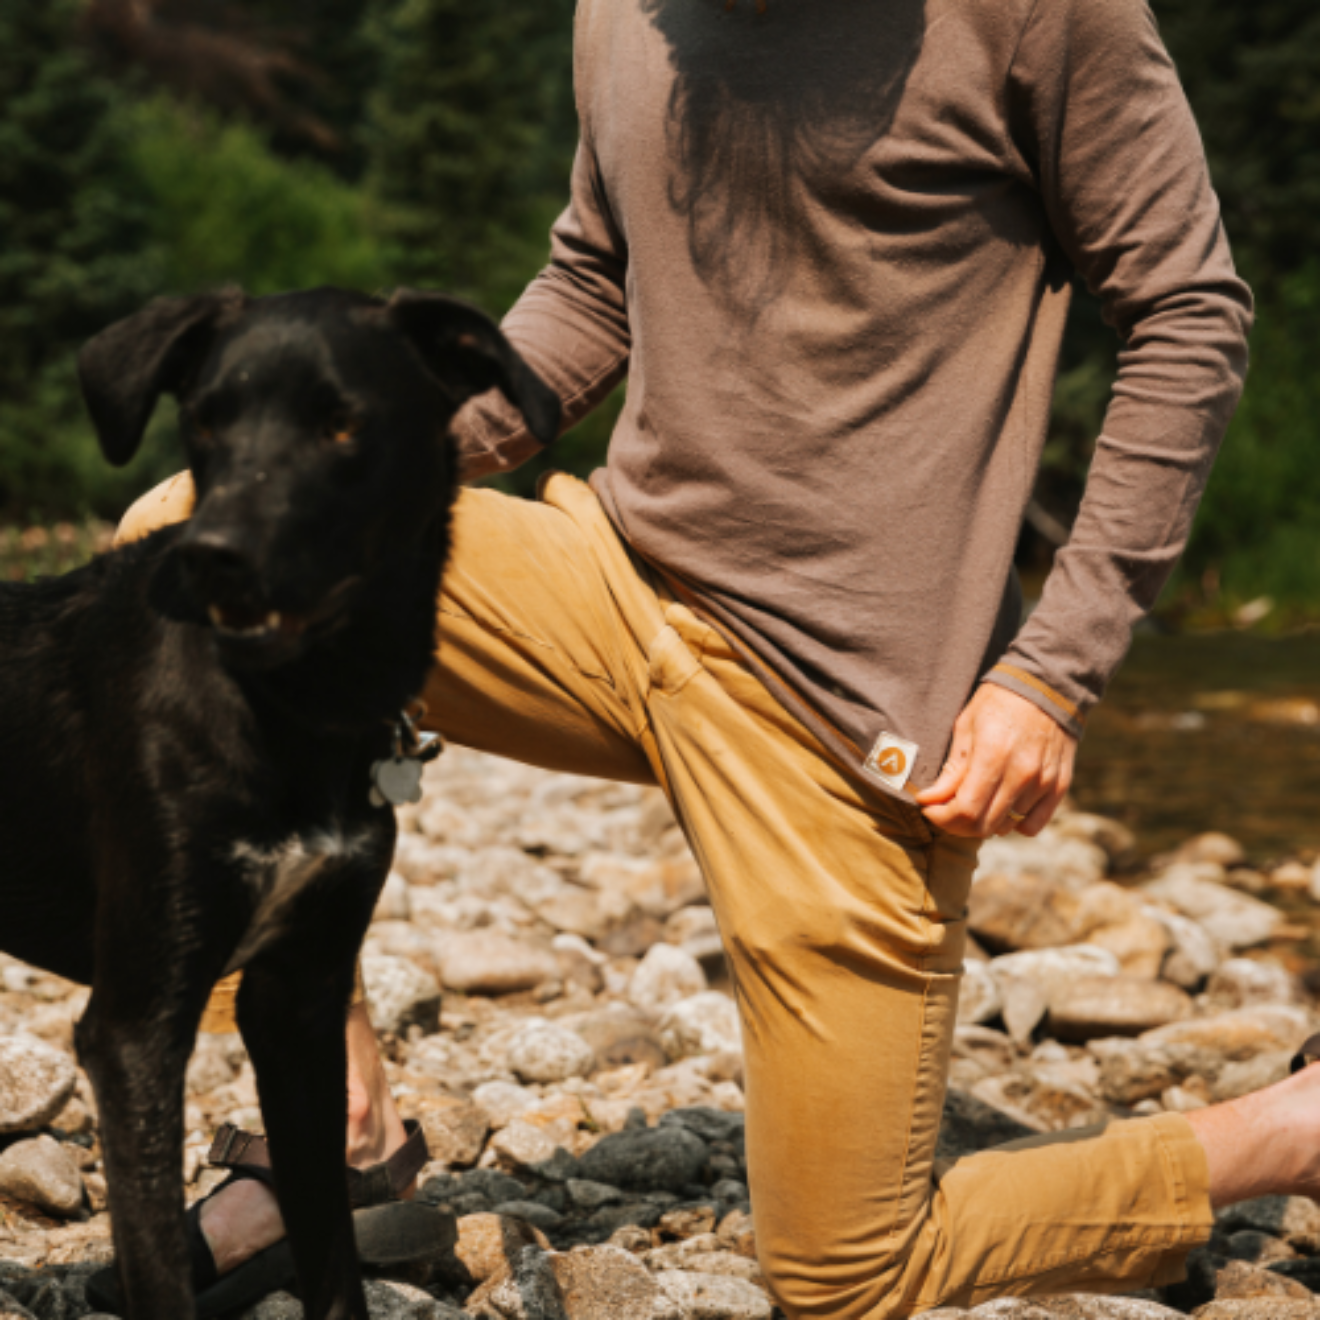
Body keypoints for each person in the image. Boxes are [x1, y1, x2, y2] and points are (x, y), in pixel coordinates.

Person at [113, 1, 1313, 1316]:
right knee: (173, 561)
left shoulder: (1045, 17)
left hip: (841, 705)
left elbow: (1188, 314)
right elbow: (591, 277)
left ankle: (1292, 1133)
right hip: (613, 582)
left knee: (849, 1272)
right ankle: (337, 1136)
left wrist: (1050, 672)